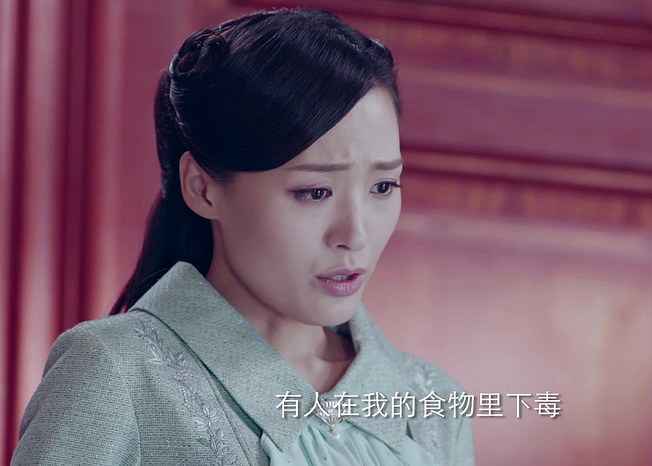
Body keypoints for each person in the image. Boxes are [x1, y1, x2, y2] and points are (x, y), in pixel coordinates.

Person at [12, 8, 473, 465]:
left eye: (383, 187)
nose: (355, 234)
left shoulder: (431, 403)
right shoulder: (113, 373)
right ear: (203, 188)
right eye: (315, 192)